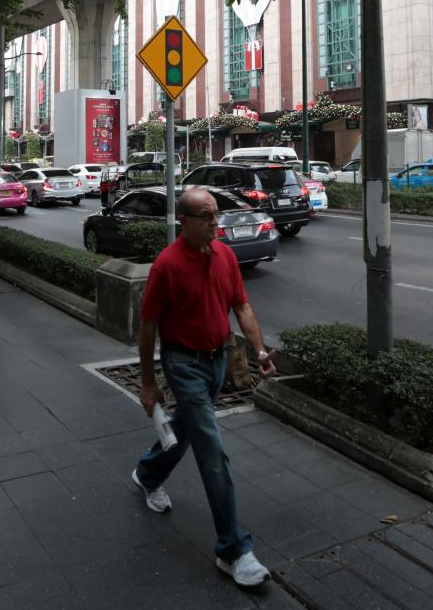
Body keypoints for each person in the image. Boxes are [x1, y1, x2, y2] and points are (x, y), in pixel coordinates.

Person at [132, 186, 276, 588]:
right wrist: (147, 383)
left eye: (216, 214)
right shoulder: (167, 265)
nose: (216, 222)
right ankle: (233, 550)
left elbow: (241, 306)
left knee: (189, 428)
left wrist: (260, 351)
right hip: (183, 363)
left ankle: (148, 473)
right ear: (185, 221)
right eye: (207, 216)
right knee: (212, 450)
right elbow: (147, 326)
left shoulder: (225, 255)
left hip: (217, 360)